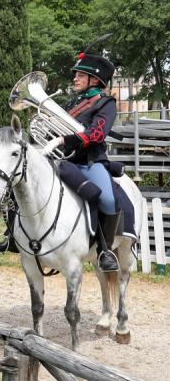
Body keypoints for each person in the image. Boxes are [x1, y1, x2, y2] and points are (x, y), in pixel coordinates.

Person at [60, 50, 120, 271]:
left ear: (94, 79)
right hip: (63, 161)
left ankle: (105, 250)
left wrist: (66, 139)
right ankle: (13, 236)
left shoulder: (106, 103)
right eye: (75, 75)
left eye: (80, 75)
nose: (75, 78)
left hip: (90, 162)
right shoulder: (72, 103)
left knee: (108, 200)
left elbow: (97, 134)